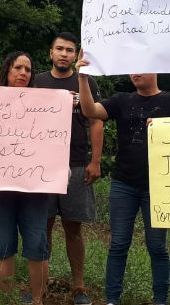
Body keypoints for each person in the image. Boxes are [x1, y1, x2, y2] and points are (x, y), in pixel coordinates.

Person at [76, 43, 170, 305]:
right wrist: (83, 77)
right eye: (131, 69)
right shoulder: (121, 100)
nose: (135, 73)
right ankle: (112, 299)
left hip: (160, 186)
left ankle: (160, 300)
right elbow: (90, 111)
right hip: (124, 183)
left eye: (141, 68)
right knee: (119, 244)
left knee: (157, 247)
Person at [34, 32, 103, 305]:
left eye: (69, 50)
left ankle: (79, 286)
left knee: (74, 228)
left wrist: (95, 161)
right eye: (59, 49)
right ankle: (39, 285)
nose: (64, 54)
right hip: (40, 164)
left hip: (76, 163)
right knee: (43, 227)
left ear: (76, 56)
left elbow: (96, 121)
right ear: (50, 53)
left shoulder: (85, 81)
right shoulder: (36, 81)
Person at [0, 51, 49, 305]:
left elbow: (53, 138)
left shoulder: (44, 102)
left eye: (28, 69)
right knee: (2, 245)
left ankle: (37, 300)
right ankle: (8, 301)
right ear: (7, 71)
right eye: (18, 68)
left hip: (34, 186)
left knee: (37, 244)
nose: (24, 73)